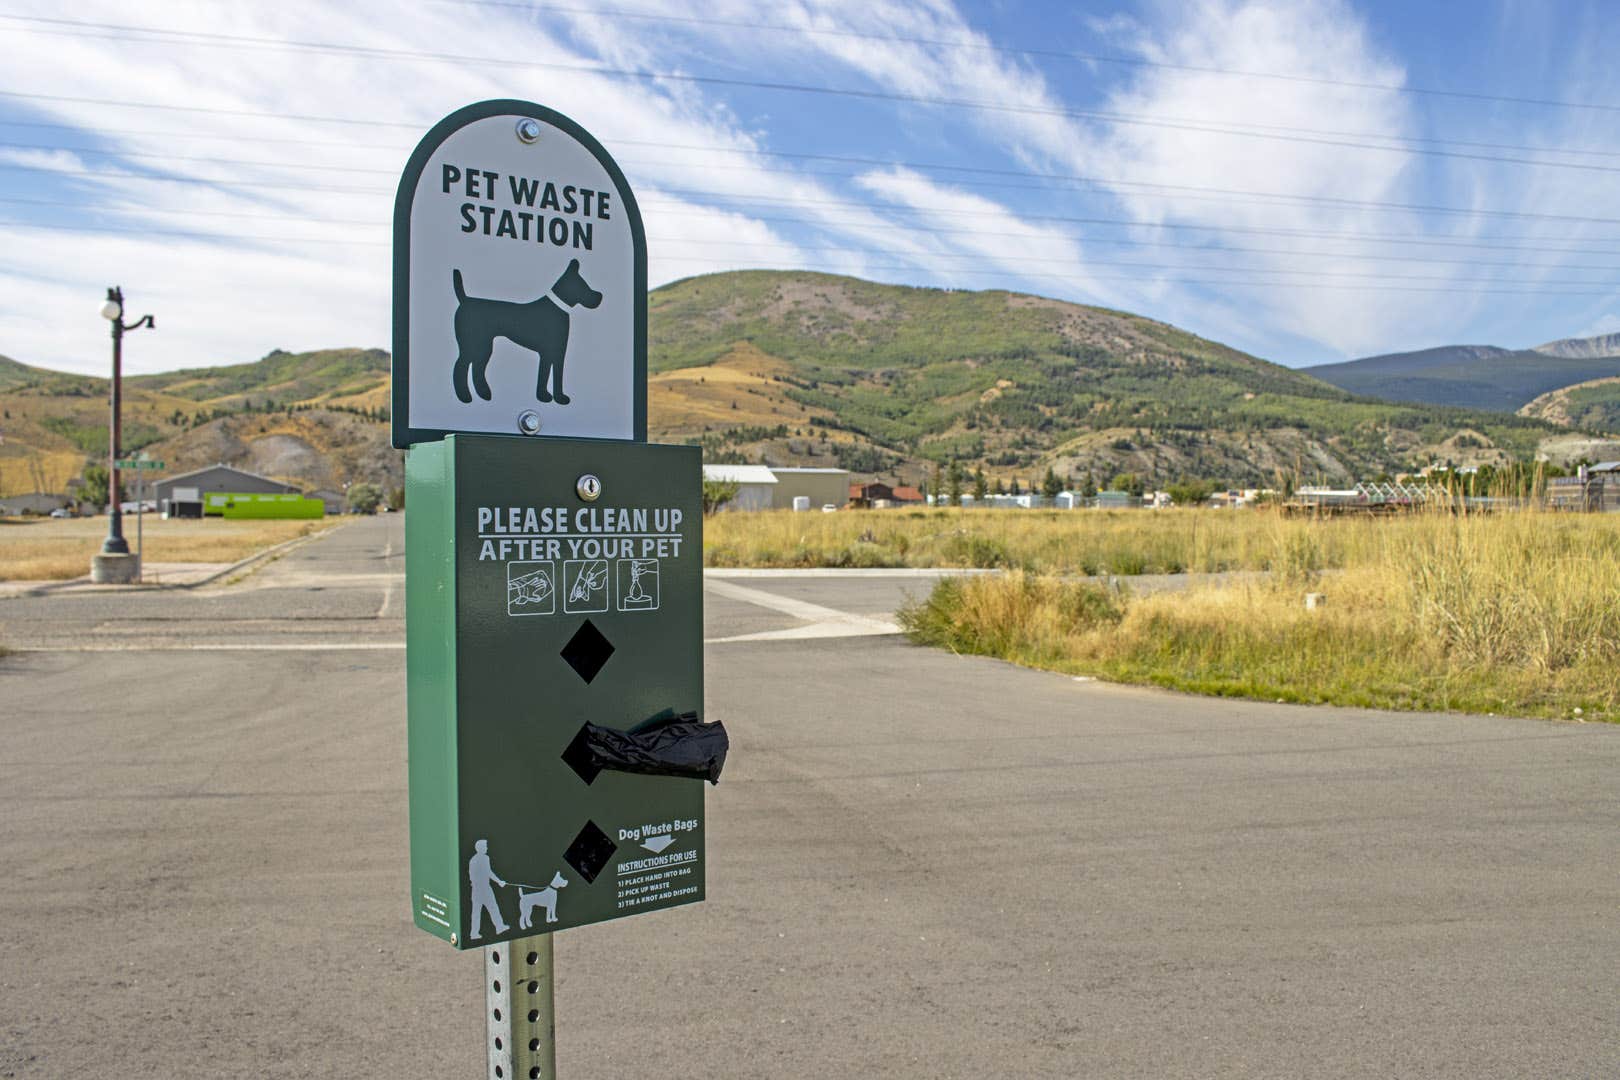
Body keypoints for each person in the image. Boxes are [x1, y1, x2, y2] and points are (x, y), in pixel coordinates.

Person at [468, 839, 509, 940]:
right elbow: (489, 873)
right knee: (491, 908)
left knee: (479, 912)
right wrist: (499, 882)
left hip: (478, 889)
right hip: (483, 889)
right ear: (480, 848)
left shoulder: (475, 859)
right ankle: (498, 927)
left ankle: (475, 933)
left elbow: (474, 876)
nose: (487, 848)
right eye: (485, 846)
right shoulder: (483, 859)